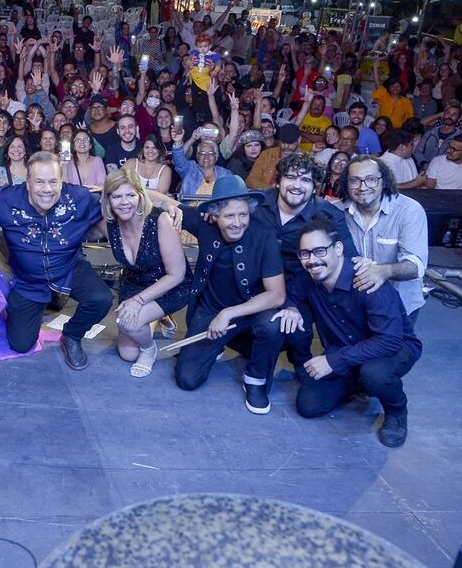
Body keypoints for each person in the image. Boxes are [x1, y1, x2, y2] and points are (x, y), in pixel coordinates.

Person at [275, 218, 421, 447]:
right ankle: (356, 383)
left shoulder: (367, 280)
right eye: (305, 254)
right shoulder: (308, 277)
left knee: (375, 374)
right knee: (309, 405)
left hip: (393, 348)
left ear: (339, 248)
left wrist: (334, 360)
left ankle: (396, 412)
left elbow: (390, 341)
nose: (312, 260)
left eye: (320, 251)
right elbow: (294, 294)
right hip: (347, 350)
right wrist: (291, 308)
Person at [0, 151, 116, 370]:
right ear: (27, 182)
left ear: (61, 181)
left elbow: (122, 204)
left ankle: (72, 336)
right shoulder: (5, 198)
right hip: (28, 280)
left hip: (69, 266)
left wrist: (170, 208)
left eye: (53, 181)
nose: (47, 189)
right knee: (20, 344)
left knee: (101, 299)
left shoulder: (79, 198)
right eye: (39, 181)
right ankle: (28, 313)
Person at [175, 175, 286, 415]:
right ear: (214, 215)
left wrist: (229, 314)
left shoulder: (264, 235)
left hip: (251, 312)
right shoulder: (204, 223)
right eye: (229, 216)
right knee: (187, 379)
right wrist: (160, 204)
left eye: (243, 214)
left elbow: (277, 295)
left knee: (272, 327)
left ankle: (255, 380)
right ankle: (222, 343)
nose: (238, 222)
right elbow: (163, 202)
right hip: (209, 311)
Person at [101, 169, 190, 377]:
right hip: (134, 282)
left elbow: (177, 274)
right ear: (108, 200)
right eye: (117, 196)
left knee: (128, 324)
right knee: (128, 353)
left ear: (140, 196)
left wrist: (138, 301)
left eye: (130, 195)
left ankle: (150, 348)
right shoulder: (109, 224)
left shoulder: (160, 221)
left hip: (169, 285)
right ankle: (154, 318)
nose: (124, 202)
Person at [338, 156, 428, 322]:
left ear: (384, 181)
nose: (362, 187)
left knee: (396, 348)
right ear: (346, 184)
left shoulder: (409, 211)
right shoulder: (337, 211)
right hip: (355, 305)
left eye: (371, 179)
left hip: (400, 304)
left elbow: (416, 266)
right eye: (354, 181)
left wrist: (385, 271)